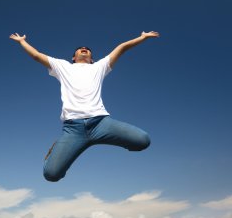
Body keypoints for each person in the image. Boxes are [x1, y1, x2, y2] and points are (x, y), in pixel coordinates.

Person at [9, 31, 160, 182]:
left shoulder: (99, 67)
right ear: (73, 57)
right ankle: (58, 149)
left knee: (143, 140)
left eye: (87, 49)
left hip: (101, 123)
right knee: (51, 175)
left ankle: (106, 140)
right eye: (80, 48)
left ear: (92, 59)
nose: (84, 48)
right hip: (73, 129)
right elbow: (36, 55)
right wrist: (22, 41)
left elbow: (121, 48)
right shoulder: (62, 66)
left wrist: (142, 37)